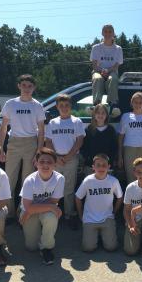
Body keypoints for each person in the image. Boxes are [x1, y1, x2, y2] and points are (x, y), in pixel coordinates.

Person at [0, 74, 45, 219]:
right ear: (19, 86)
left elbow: (42, 130)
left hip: (31, 143)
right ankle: (9, 213)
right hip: (14, 143)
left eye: (30, 86)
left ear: (34, 88)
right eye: (24, 85)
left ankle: (23, 212)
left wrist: (39, 151)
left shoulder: (37, 105)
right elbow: (3, 127)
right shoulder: (11, 104)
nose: (26, 88)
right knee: (9, 179)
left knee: (27, 181)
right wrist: (0, 148)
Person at [45, 94, 85, 230]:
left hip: (71, 159)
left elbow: (79, 141)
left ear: (70, 106)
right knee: (53, 187)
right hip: (55, 159)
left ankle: (68, 214)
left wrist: (68, 156)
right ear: (57, 107)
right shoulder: (52, 122)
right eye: (61, 105)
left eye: (67, 105)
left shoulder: (77, 122)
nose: (64, 108)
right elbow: (48, 141)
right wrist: (55, 157)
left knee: (68, 188)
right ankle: (52, 212)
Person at [19, 147, 64, 265]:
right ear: (36, 163)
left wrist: (50, 207)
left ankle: (46, 248)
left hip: (42, 209)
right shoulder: (30, 180)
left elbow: (54, 201)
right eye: (42, 162)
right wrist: (28, 211)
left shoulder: (59, 179)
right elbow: (28, 207)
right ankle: (36, 232)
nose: (45, 165)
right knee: (31, 247)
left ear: (55, 164)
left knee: (51, 216)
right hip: (30, 210)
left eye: (49, 162)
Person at [75, 154, 123, 252]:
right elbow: (78, 197)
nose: (101, 167)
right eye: (98, 165)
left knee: (111, 247)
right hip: (90, 218)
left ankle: (103, 234)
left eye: (104, 165)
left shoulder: (113, 181)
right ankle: (96, 235)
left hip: (107, 217)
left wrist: (114, 212)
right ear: (93, 167)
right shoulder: (88, 180)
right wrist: (81, 215)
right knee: (88, 248)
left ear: (109, 167)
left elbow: (120, 197)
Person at [89, 24, 123, 117]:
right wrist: (102, 71)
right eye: (105, 31)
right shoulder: (96, 47)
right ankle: (96, 105)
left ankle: (113, 106)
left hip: (112, 71)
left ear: (113, 33)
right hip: (98, 71)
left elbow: (116, 65)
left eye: (110, 31)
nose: (107, 33)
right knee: (97, 79)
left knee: (113, 79)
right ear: (102, 33)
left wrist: (107, 71)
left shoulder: (118, 49)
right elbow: (94, 65)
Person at [118, 92, 142, 184]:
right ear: (131, 103)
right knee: (131, 176)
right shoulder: (126, 116)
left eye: (140, 102)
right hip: (129, 149)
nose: (138, 104)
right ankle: (131, 197)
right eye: (135, 102)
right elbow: (121, 137)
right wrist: (120, 155)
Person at [81, 104, 117, 174]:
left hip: (106, 166)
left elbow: (114, 147)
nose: (100, 115)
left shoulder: (111, 129)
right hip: (91, 166)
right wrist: (88, 159)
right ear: (94, 115)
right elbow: (84, 147)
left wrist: (110, 161)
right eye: (98, 113)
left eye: (103, 113)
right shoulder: (89, 129)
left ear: (106, 115)